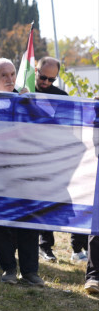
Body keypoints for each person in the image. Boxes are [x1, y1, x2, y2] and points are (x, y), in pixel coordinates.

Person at [0, 58, 44, 287]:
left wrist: (32, 106)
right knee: (0, 224)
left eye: (12, 74)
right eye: (4, 76)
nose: (10, 79)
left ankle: (30, 271)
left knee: (28, 222)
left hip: (26, 174)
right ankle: (8, 268)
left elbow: (45, 130)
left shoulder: (27, 100)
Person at [33, 57, 89, 263]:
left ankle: (77, 247)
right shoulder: (22, 91)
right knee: (39, 204)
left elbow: (72, 127)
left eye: (51, 79)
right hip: (30, 159)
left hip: (56, 159)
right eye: (43, 77)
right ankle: (44, 247)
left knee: (70, 201)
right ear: (35, 70)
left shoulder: (61, 97)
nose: (46, 82)